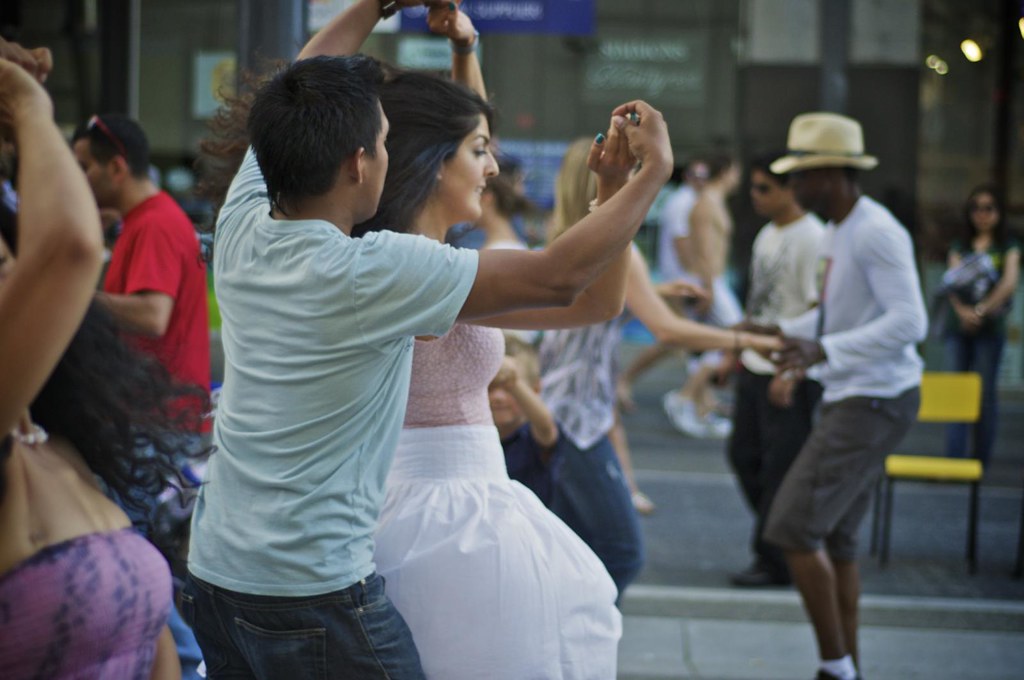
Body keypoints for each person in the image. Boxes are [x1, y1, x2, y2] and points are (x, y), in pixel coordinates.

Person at [184, 1, 672, 677]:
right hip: (314, 582)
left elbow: (294, 89)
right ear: (360, 164)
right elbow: (562, 280)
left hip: (216, 568)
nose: (491, 168)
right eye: (382, 142)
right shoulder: (377, 269)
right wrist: (645, 180)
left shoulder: (246, 223)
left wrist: (373, 7)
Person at [0, 44, 189, 680]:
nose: (18, 283)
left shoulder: (60, 438)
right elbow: (69, 250)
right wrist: (26, 102)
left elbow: (152, 642)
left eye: (10, 267)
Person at [538, 138, 783, 600]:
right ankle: (576, 639)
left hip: (562, 409)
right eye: (627, 172)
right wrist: (747, 340)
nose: (634, 184)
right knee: (619, 551)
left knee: (569, 548)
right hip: (576, 419)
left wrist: (654, 291)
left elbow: (595, 309)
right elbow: (668, 333)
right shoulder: (612, 247)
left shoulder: (568, 240)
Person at [764, 112, 928, 680]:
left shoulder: (876, 231)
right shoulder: (839, 230)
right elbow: (836, 315)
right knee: (835, 538)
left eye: (799, 177)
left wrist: (824, 350)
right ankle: (847, 665)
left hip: (875, 399)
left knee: (790, 527)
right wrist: (787, 333)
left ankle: (835, 669)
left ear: (830, 175)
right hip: (859, 396)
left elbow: (911, 322)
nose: (794, 188)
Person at [71, 111, 209, 680]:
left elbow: (153, 315)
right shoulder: (147, 220)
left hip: (153, 423)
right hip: (158, 420)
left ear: (117, 166)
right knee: (141, 554)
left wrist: (71, 288)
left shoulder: (152, 223)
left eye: (84, 168)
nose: (78, 178)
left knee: (127, 550)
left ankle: (191, 664)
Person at [726, 152, 825, 588]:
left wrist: (792, 371)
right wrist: (737, 351)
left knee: (780, 470)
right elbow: (758, 300)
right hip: (754, 362)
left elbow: (818, 312)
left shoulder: (813, 237)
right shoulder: (767, 233)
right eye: (753, 187)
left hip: (788, 369)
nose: (756, 196)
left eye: (764, 188)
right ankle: (782, 544)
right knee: (744, 456)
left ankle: (775, 558)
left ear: (791, 189)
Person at [943, 185, 1020, 466]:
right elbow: (951, 283)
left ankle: (980, 460)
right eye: (976, 207)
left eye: (989, 208)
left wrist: (980, 310)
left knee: (985, 395)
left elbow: (1009, 283)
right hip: (959, 327)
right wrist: (965, 313)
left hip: (990, 329)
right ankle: (953, 458)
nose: (982, 214)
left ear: (999, 212)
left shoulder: (1008, 245)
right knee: (956, 391)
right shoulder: (960, 244)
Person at [491, 334, 561, 505]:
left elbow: (546, 425)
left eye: (508, 388)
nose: (499, 397)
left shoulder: (532, 435)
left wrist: (514, 381)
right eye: (490, 386)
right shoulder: (478, 435)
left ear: (535, 389)